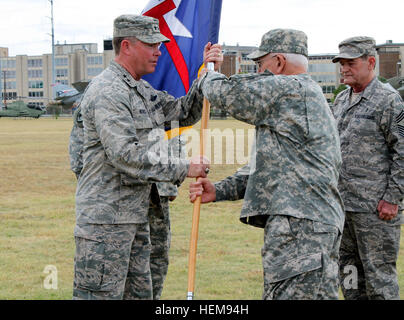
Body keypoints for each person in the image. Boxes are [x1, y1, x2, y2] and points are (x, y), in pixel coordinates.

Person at [72, 14, 220, 300]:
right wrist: (184, 167)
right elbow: (125, 153)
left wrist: (206, 72)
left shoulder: (140, 89)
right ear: (126, 46)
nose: (159, 51)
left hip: (137, 218)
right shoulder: (109, 91)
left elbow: (182, 112)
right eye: (151, 44)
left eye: (159, 44)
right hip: (107, 224)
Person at [189, 28, 345, 300]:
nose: (258, 72)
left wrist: (208, 72)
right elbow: (270, 170)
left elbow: (229, 94)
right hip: (306, 226)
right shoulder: (298, 98)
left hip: (302, 229)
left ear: (279, 63)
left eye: (260, 65)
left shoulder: (292, 89)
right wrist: (220, 190)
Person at [69, 104, 186, 300]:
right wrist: (100, 190)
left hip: (156, 197)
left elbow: (173, 132)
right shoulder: (106, 94)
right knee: (106, 274)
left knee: (153, 264)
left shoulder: (153, 96)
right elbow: (80, 153)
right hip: (117, 200)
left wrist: (170, 184)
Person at [332, 36, 404, 300]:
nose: (344, 68)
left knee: (379, 280)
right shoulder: (341, 101)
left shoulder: (390, 101)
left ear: (370, 62)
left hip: (376, 212)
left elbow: (403, 151)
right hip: (343, 209)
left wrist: (392, 198)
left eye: (350, 62)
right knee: (349, 276)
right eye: (342, 63)